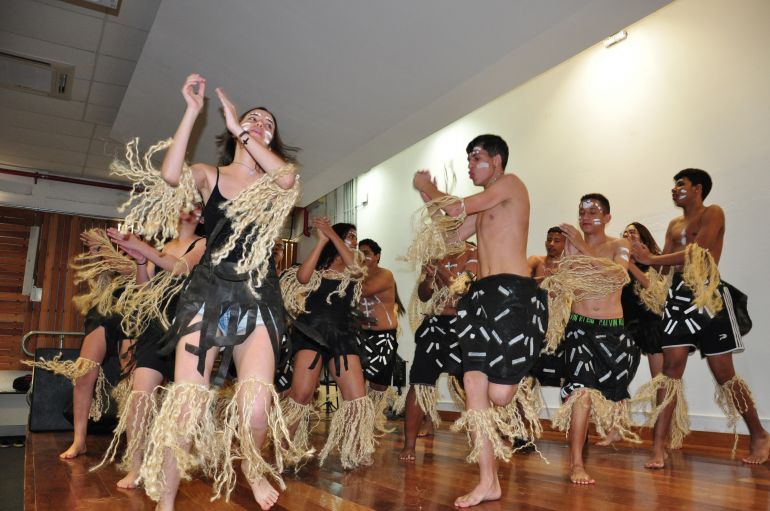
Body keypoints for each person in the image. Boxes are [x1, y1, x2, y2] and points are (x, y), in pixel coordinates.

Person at [132, 73, 303, 511]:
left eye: (267, 122)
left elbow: (285, 181)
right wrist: (193, 110)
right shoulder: (212, 174)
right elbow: (171, 175)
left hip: (259, 295)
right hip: (209, 293)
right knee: (186, 406)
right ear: (233, 134)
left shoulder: (277, 183)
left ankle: (250, 464)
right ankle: (166, 502)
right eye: (252, 118)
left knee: (257, 407)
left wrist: (241, 126)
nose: (259, 123)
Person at [412, 134, 546, 508]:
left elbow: (455, 208)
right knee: (473, 383)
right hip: (480, 298)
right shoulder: (482, 206)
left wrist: (430, 186)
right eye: (469, 159)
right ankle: (488, 481)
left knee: (500, 395)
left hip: (514, 296)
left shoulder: (510, 185)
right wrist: (427, 197)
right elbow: (452, 233)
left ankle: (499, 460)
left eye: (476, 158)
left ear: (497, 160)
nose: (470, 165)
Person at [631, 168, 769, 467]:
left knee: (723, 373)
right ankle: (659, 445)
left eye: (681, 184)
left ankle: (759, 434)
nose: (674, 189)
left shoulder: (712, 213)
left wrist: (652, 258)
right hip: (678, 299)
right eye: (673, 185)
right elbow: (664, 271)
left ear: (698, 188)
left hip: (708, 296)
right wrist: (635, 262)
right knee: (669, 371)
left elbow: (698, 252)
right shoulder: (673, 224)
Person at [91, 208, 205, 488]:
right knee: (140, 396)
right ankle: (137, 465)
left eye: (197, 207)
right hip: (156, 329)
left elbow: (180, 266)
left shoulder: (203, 244)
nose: (188, 209)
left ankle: (178, 461)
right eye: (184, 204)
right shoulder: (164, 247)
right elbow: (145, 290)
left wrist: (143, 247)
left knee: (184, 404)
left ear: (203, 218)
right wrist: (142, 262)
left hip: (188, 329)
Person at [543, 194, 641, 485]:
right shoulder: (570, 247)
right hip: (580, 328)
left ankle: (610, 425)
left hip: (613, 330)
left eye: (593, 211)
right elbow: (569, 281)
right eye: (581, 211)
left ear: (608, 217)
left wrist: (583, 248)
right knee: (581, 394)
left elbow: (617, 275)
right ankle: (576, 463)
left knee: (612, 394)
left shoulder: (619, 245)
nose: (585, 216)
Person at [26, 228, 134, 460]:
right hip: (104, 314)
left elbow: (127, 270)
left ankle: (134, 442)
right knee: (84, 376)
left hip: (134, 316)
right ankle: (79, 441)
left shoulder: (146, 255)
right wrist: (95, 251)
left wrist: (103, 245)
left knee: (131, 382)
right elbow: (100, 281)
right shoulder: (112, 255)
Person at [280, 220, 376, 469]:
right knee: (300, 395)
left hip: (342, 336)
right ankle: (284, 449)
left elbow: (355, 267)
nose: (355, 240)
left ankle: (354, 449)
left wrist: (331, 233)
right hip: (310, 334)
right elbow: (302, 278)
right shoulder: (321, 265)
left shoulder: (354, 262)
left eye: (356, 236)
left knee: (357, 397)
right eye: (351, 235)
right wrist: (322, 240)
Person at [397, 242, 477, 462]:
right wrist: (429, 278)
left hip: (463, 326)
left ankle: (479, 443)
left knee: (472, 387)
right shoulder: (438, 256)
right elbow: (424, 295)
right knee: (420, 383)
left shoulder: (473, 253)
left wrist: (438, 268)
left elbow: (463, 288)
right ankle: (410, 445)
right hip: (434, 324)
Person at [358, 238, 404, 432]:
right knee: (357, 382)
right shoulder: (354, 275)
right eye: (359, 253)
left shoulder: (385, 275)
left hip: (383, 337)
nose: (362, 257)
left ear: (377, 256)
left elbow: (365, 290)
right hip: (360, 336)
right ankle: (358, 422)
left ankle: (371, 420)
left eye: (367, 253)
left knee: (378, 385)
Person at [621, 222, 665, 379]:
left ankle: (663, 403)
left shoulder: (654, 259)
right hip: (625, 326)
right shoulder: (619, 262)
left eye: (632, 232)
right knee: (618, 374)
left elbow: (652, 288)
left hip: (650, 324)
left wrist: (631, 264)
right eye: (625, 233)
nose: (627, 235)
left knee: (660, 380)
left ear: (643, 238)